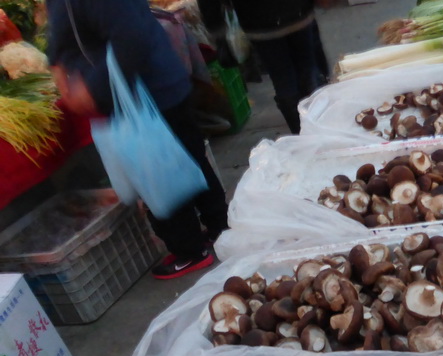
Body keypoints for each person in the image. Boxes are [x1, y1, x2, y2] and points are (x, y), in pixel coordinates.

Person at [46, 0, 230, 279]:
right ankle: (221, 229)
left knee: (159, 172)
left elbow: (131, 37)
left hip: (149, 93)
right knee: (186, 160)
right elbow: (61, 25)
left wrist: (94, 90)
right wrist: (56, 63)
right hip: (144, 90)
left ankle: (191, 250)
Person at [197, 0, 328, 134]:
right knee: (307, 71)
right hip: (297, 13)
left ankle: (302, 133)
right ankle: (320, 124)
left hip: (260, 23)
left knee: (283, 79)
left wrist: (216, 26)